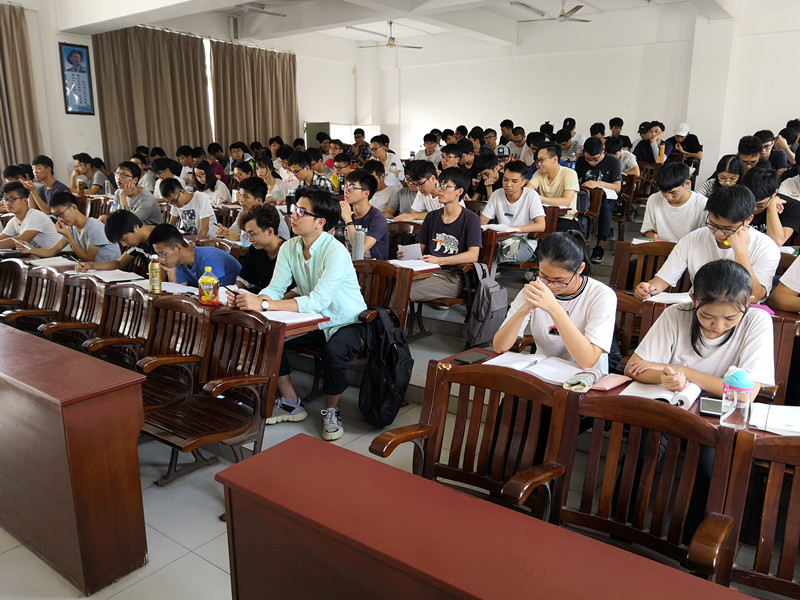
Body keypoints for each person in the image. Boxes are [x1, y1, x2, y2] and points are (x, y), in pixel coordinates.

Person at [228, 187, 368, 442]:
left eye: (301, 212)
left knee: (334, 351)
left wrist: (265, 305)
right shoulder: (290, 247)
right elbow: (276, 288)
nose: (292, 215)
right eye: (294, 209)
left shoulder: (335, 251)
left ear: (320, 222)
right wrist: (256, 300)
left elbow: (318, 301)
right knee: (271, 336)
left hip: (347, 321)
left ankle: (332, 410)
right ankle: (291, 402)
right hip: (313, 320)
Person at [628, 259, 773, 398]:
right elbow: (632, 368)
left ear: (748, 303)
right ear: (693, 300)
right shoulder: (675, 314)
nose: (718, 325)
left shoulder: (756, 321)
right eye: (707, 315)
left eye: (730, 318)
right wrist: (662, 377)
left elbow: (744, 393)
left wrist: (681, 371)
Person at [494, 231, 617, 372]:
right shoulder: (535, 290)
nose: (551, 286)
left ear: (580, 269)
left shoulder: (601, 295)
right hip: (543, 374)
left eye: (560, 281)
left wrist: (554, 308)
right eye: (544, 276)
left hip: (584, 378)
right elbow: (499, 346)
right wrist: (524, 310)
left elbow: (588, 361)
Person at [634, 185, 780, 303]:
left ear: (748, 220)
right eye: (713, 225)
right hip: (698, 309)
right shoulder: (693, 239)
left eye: (727, 229)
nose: (718, 233)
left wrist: (740, 251)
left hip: (741, 316)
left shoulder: (766, 247)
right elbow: (662, 280)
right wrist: (648, 289)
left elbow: (756, 297)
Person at [399, 167, 481, 302]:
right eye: (439, 185)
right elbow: (421, 248)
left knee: (404, 289)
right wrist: (406, 253)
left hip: (452, 277)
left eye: (445, 186)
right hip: (427, 270)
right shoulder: (431, 217)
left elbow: (473, 255)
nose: (440, 190)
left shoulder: (471, 219)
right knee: (391, 282)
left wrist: (440, 260)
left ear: (459, 191)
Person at [21, 192, 121, 262]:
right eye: (56, 216)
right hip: (93, 270)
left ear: (73, 207)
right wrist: (30, 249)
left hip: (110, 272)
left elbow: (88, 259)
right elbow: (51, 251)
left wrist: (69, 237)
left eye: (61, 214)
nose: (59, 219)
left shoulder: (94, 227)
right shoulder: (71, 227)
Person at [480, 160, 546, 268]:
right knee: (485, 250)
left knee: (493, 253)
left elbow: (541, 226)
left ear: (523, 182)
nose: (508, 185)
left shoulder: (531, 195)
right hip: (501, 239)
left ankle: (486, 278)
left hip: (525, 243)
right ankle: (485, 278)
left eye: (514, 181)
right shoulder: (497, 194)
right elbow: (482, 221)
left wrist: (511, 229)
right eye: (505, 179)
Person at [575, 137, 622, 264]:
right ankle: (578, 242)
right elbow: (575, 180)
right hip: (586, 197)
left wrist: (597, 183)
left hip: (607, 198)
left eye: (595, 159)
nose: (592, 163)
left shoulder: (613, 162)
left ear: (603, 152)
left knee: (605, 207)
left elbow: (617, 187)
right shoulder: (581, 161)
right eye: (588, 159)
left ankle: (600, 246)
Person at [150, 223, 240, 287]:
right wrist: (171, 272)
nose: (161, 260)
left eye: (163, 254)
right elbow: (179, 294)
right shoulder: (178, 262)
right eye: (158, 255)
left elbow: (211, 293)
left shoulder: (209, 258)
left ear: (179, 248)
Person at [640, 162, 707, 241]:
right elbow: (648, 231)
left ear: (687, 183)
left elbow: (707, 237)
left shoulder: (702, 204)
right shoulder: (654, 199)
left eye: (673, 192)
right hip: (662, 247)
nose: (668, 197)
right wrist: (654, 237)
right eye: (663, 192)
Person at [75, 210, 156, 272]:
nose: (124, 245)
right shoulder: (137, 240)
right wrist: (90, 265)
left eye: (124, 239)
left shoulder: (160, 238)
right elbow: (120, 264)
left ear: (135, 227)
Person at [217, 176, 291, 242]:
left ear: (259, 201)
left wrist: (239, 237)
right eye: (241, 195)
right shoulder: (245, 210)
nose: (241, 200)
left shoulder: (269, 213)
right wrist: (226, 232)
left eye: (246, 197)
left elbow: (264, 238)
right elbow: (235, 228)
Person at [526, 143, 581, 232]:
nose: (539, 164)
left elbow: (566, 201)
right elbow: (527, 191)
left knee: (555, 235)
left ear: (555, 159)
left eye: (541, 160)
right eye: (537, 161)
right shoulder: (539, 173)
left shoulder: (569, 173)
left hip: (565, 218)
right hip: (545, 216)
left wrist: (540, 199)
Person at [742, 167, 800, 246]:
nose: (753, 209)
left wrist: (771, 204)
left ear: (774, 193)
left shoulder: (792, 207)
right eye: (749, 203)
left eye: (760, 205)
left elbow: (776, 242)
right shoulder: (734, 199)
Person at [340, 169, 389, 260]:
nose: (346, 190)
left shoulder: (378, 219)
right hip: (349, 265)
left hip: (373, 267)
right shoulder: (344, 212)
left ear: (366, 193)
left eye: (351, 188)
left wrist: (348, 221)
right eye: (345, 186)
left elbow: (359, 250)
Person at [235, 205, 284, 292]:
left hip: (285, 299)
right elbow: (246, 279)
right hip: (262, 298)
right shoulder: (255, 249)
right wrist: (233, 291)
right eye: (247, 235)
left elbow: (297, 291)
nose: (249, 239)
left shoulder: (288, 251)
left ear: (270, 231)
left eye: (252, 234)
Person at [0, 182, 61, 250]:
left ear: (25, 200)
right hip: (40, 255)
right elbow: (2, 237)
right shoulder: (14, 221)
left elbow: (22, 239)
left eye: (12, 199)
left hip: (61, 254)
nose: (8, 203)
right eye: (5, 199)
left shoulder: (35, 215)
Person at [112, 161, 164, 225]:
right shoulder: (118, 192)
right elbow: (113, 212)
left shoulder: (147, 199)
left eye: (124, 175)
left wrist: (123, 196)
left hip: (152, 230)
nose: (118, 178)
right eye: (117, 174)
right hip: (132, 229)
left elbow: (129, 222)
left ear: (135, 180)